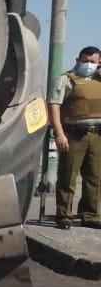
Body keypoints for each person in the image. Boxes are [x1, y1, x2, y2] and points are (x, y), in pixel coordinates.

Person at [47, 46, 101, 230]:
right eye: (85, 60)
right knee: (67, 176)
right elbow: (53, 106)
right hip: (74, 135)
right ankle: (64, 216)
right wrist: (59, 133)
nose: (88, 64)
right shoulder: (65, 80)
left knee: (94, 178)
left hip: (97, 135)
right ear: (77, 60)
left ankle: (90, 215)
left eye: (92, 62)